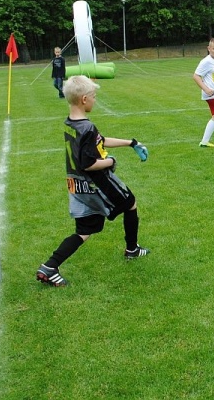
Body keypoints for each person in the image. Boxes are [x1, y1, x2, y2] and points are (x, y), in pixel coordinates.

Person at [35, 75, 150, 287]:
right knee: (130, 204)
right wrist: (110, 161)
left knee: (85, 230)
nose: (96, 100)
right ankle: (132, 249)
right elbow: (89, 163)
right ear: (84, 99)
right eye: (94, 97)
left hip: (77, 184)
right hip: (96, 183)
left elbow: (100, 141)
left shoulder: (71, 123)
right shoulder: (87, 128)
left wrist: (131, 143)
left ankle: (50, 266)